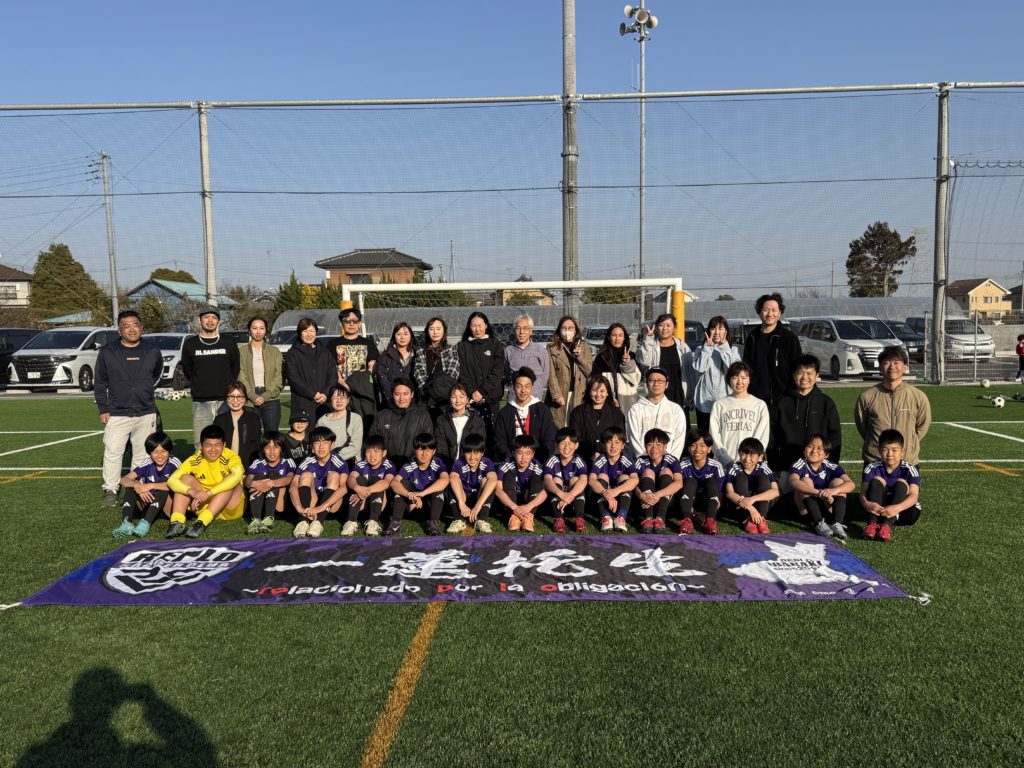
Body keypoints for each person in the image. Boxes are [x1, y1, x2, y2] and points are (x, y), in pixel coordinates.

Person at [95, 310, 163, 507]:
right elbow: (100, 382)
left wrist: (145, 390)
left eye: (135, 325)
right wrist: (103, 407)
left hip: (146, 411)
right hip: (117, 412)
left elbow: (157, 374)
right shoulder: (107, 352)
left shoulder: (152, 350)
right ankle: (111, 489)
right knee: (113, 452)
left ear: (141, 328)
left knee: (142, 454)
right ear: (119, 330)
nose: (131, 329)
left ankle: (135, 488)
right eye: (126, 326)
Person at [854, 345, 931, 467]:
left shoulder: (918, 396)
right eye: (887, 362)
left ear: (905, 367)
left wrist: (909, 443)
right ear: (880, 367)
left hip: (907, 461)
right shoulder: (867, 396)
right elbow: (863, 426)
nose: (892, 367)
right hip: (875, 462)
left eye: (896, 362)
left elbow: (922, 426)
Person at [166, 424, 245, 540]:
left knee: (231, 480)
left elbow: (238, 475)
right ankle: (177, 522)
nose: (213, 450)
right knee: (185, 478)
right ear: (201, 446)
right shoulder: (196, 459)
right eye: (208, 445)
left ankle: (201, 523)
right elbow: (171, 480)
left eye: (217, 445)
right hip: (204, 504)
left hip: (229, 508)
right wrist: (192, 491)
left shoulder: (230, 457)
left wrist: (209, 493)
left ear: (224, 445)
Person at [181, 305, 240, 447]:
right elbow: (188, 370)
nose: (210, 321)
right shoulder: (190, 344)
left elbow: (235, 369)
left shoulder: (229, 342)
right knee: (201, 443)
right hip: (201, 402)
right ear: (199, 320)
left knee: (226, 443)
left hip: (225, 401)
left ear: (219, 321)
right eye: (206, 317)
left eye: (214, 317)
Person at [773, 355, 842, 472]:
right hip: (787, 466)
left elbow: (835, 437)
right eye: (800, 373)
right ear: (793, 375)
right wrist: (775, 464)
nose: (804, 377)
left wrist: (831, 465)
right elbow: (772, 437)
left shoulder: (826, 403)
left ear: (817, 376)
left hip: (819, 467)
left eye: (809, 373)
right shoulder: (781, 402)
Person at [112, 431, 180, 539]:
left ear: (169, 450)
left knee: (163, 487)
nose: (160, 456)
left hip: (168, 506)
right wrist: (137, 486)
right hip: (149, 503)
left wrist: (151, 486)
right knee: (131, 486)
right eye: (155, 452)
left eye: (163, 451)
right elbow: (124, 480)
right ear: (149, 452)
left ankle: (146, 523)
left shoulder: (174, 462)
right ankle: (126, 523)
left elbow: (178, 485)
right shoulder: (147, 463)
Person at [741, 292, 801, 412]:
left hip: (782, 401)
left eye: (774, 310)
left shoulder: (789, 338)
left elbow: (797, 368)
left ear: (780, 312)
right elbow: (746, 367)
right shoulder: (752, 337)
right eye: (766, 310)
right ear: (759, 312)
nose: (770, 314)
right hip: (755, 401)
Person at [788, 434, 854, 540]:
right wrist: (818, 493)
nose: (814, 450)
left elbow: (851, 484)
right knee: (805, 481)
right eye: (810, 446)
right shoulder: (800, 464)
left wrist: (832, 491)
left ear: (826, 454)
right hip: (807, 511)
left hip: (827, 506)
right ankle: (818, 523)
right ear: (804, 450)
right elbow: (793, 481)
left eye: (819, 448)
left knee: (839, 482)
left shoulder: (830, 466)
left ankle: (837, 523)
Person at [861, 429, 922, 543]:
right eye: (885, 450)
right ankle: (872, 524)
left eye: (894, 450)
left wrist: (897, 508)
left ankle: (886, 526)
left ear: (902, 451)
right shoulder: (872, 468)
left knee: (901, 483)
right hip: (878, 509)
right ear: (879, 450)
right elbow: (863, 492)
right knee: (877, 481)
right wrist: (867, 504)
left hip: (903, 511)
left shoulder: (909, 469)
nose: (890, 454)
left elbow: (914, 496)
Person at [709, 361, 770, 469]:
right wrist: (726, 460)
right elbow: (714, 436)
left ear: (749, 379)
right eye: (735, 377)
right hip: (724, 465)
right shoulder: (719, 405)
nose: (739, 382)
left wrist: (750, 458)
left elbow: (762, 436)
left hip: (750, 465)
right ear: (729, 380)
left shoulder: (759, 405)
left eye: (743, 378)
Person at [636, 313, 693, 430]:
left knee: (681, 429)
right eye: (661, 325)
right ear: (657, 327)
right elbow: (643, 360)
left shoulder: (682, 347)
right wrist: (648, 339)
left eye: (668, 325)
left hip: (679, 393)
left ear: (674, 327)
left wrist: (690, 395)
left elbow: (690, 372)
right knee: (659, 429)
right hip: (658, 393)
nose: (665, 328)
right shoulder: (652, 345)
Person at [290, 426, 349, 539]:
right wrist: (298, 508)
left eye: (325, 442)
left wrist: (320, 508)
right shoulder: (307, 461)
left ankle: (318, 523)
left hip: (331, 506)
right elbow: (293, 486)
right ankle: (303, 522)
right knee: (306, 475)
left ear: (332, 445)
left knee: (334, 475)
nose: (321, 447)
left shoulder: (339, 462)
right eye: (317, 443)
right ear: (312, 446)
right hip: (311, 505)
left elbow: (343, 489)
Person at [389, 433, 450, 536]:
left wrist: (422, 493)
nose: (424, 454)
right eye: (421, 449)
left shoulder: (437, 463)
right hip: (414, 506)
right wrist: (409, 494)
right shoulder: (410, 465)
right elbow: (394, 483)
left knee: (438, 486)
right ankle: (395, 523)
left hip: (431, 507)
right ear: (415, 450)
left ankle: (433, 523)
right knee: (402, 483)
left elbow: (445, 480)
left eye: (428, 450)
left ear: (434, 451)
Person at [456, 311, 506, 433]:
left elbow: (498, 371)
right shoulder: (462, 347)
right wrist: (472, 392)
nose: (477, 329)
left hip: (491, 399)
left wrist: (482, 391)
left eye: (480, 325)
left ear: (486, 325)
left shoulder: (495, 345)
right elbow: (461, 373)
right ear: (469, 327)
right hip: (470, 400)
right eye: (474, 326)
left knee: (491, 433)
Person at [494, 367, 557, 462]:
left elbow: (549, 439)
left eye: (527, 386)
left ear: (532, 387)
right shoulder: (505, 413)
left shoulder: (542, 410)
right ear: (514, 387)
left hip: (537, 462)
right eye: (519, 386)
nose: (523, 390)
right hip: (511, 462)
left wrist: (538, 461)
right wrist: (510, 460)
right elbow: (500, 441)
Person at [368, 377, 434, 468]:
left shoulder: (422, 416)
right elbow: (373, 444)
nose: (401, 398)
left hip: (414, 467)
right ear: (392, 394)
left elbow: (427, 445)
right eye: (397, 394)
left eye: (405, 394)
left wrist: (412, 466)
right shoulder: (381, 416)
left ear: (412, 394)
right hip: (386, 468)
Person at [691, 316, 741, 432]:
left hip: (726, 400)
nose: (717, 332)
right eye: (713, 329)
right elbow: (700, 368)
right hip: (704, 401)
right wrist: (707, 349)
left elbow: (733, 371)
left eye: (721, 329)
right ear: (708, 331)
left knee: (725, 434)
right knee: (705, 435)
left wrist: (724, 348)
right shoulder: (700, 349)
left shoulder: (733, 350)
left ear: (726, 331)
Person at [626, 367, 687, 460]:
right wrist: (644, 460)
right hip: (643, 462)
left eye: (660, 381)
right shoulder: (635, 409)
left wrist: (671, 461)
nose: (656, 384)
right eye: (652, 380)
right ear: (646, 384)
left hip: (668, 462)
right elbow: (633, 438)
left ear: (666, 384)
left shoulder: (675, 409)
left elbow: (679, 439)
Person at [332, 306, 380, 427]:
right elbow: (331, 366)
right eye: (347, 321)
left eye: (355, 321)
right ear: (341, 323)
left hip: (363, 393)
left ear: (359, 324)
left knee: (366, 425)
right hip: (342, 392)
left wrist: (359, 382)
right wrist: (341, 381)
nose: (351, 324)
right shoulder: (333, 344)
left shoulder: (368, 343)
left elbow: (372, 365)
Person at [723, 437, 779, 535]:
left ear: (760, 456)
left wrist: (752, 499)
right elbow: (729, 493)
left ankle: (761, 518)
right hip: (741, 506)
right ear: (739, 453)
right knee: (740, 477)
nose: (747, 459)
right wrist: (750, 507)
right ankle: (746, 519)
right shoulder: (734, 468)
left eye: (751, 455)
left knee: (763, 478)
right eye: (744, 453)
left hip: (758, 503)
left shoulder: (763, 468)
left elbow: (775, 491)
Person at [238, 316, 284, 434]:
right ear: (249, 330)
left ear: (266, 331)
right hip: (249, 399)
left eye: (261, 328)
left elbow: (278, 376)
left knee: (271, 436)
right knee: (250, 436)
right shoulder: (241, 351)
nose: (258, 331)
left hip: (271, 398)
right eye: (254, 328)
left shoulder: (274, 351)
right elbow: (241, 375)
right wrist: (252, 395)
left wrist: (266, 395)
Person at [244, 431, 296, 534]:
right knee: (257, 478)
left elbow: (290, 478)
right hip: (261, 503)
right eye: (267, 447)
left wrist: (272, 483)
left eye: (276, 447)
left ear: (281, 448)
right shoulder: (258, 463)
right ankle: (256, 520)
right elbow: (247, 480)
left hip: (281, 505)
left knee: (272, 474)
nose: (272, 452)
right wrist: (254, 484)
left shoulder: (288, 462)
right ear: (263, 450)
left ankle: (269, 518)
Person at [546, 315, 593, 428]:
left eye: (571, 328)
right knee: (559, 426)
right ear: (559, 330)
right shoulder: (552, 348)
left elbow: (589, 372)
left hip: (579, 394)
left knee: (577, 426)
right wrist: (556, 395)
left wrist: (579, 356)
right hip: (561, 395)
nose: (567, 331)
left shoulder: (584, 347)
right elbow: (550, 374)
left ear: (575, 330)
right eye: (564, 328)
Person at [589, 426, 639, 533]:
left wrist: (616, 491)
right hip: (604, 499)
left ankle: (621, 517)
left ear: (623, 445)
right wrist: (606, 493)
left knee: (625, 477)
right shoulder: (600, 459)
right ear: (604, 444)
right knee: (602, 476)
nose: (613, 446)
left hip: (620, 498)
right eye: (609, 442)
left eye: (617, 442)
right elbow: (591, 480)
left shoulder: (625, 459)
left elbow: (635, 479)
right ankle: (605, 517)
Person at [677, 429, 727, 535]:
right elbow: (678, 491)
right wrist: (693, 512)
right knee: (690, 481)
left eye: (702, 445)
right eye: (693, 445)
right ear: (688, 448)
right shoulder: (683, 465)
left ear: (709, 449)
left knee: (711, 481)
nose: (697, 449)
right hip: (688, 504)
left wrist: (713, 508)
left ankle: (710, 521)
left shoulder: (716, 466)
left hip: (709, 503)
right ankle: (686, 520)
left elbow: (720, 493)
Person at [346, 434, 397, 537]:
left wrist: (364, 491)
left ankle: (373, 522)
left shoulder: (388, 465)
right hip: (361, 504)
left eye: (376, 451)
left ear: (384, 453)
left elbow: (386, 483)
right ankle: (351, 522)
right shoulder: (362, 464)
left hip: (379, 505)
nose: (372, 455)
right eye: (369, 451)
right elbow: (350, 478)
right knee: (359, 479)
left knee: (377, 480)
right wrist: (357, 488)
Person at [285, 317, 335, 422]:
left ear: (316, 332)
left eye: (312, 331)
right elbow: (293, 378)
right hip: (303, 402)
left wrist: (325, 393)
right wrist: (313, 394)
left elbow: (333, 375)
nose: (309, 334)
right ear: (299, 333)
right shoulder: (292, 354)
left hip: (325, 401)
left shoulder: (325, 352)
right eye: (305, 331)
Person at [446, 432, 498, 534]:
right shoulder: (460, 462)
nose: (472, 457)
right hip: (463, 500)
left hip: (479, 500)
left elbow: (493, 479)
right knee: (452, 480)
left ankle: (482, 520)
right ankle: (458, 520)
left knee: (488, 481)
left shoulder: (486, 462)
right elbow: (452, 478)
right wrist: (461, 504)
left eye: (476, 453)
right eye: (469, 452)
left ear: (482, 453)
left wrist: (478, 506)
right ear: (463, 452)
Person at [635, 428, 684, 534]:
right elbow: (634, 484)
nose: (654, 448)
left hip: (665, 502)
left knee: (666, 471)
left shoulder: (671, 460)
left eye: (658, 444)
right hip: (645, 502)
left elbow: (679, 483)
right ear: (645, 446)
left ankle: (660, 519)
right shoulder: (641, 460)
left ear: (665, 446)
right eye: (650, 444)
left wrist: (657, 494)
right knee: (648, 472)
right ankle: (648, 519)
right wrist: (642, 496)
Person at [495, 434, 547, 533]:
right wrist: (514, 508)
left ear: (533, 454)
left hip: (529, 500)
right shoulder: (506, 465)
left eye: (528, 453)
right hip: (510, 501)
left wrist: (528, 507)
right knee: (508, 475)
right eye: (519, 453)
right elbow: (498, 490)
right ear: (513, 453)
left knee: (536, 479)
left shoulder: (537, 467)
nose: (523, 457)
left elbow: (545, 491)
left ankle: (528, 517)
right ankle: (514, 517)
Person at [543, 427, 590, 533]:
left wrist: (568, 496)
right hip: (556, 502)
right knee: (555, 479)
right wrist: (561, 494)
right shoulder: (552, 460)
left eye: (570, 443)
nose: (566, 447)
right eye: (563, 443)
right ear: (556, 445)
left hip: (574, 502)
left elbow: (583, 480)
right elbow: (547, 480)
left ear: (576, 445)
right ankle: (558, 519)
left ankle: (579, 518)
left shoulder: (578, 460)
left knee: (576, 479)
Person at [568, 376, 626, 463]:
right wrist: (592, 453)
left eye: (602, 391)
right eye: (595, 390)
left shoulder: (616, 414)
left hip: (610, 461)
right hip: (583, 461)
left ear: (607, 393)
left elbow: (620, 439)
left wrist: (604, 455)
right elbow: (574, 439)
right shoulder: (577, 412)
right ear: (589, 392)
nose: (598, 394)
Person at [591, 322, 642, 417]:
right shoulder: (601, 357)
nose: (617, 338)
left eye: (620, 335)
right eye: (614, 335)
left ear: (624, 338)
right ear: (608, 337)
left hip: (627, 401)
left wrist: (627, 364)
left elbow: (635, 381)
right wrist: (610, 398)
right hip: (607, 401)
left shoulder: (632, 356)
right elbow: (596, 381)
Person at [434, 383, 487, 468]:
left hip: (470, 467)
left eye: (461, 397)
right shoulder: (442, 421)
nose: (457, 400)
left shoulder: (477, 421)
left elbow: (479, 448)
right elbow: (441, 448)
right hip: (447, 468)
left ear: (467, 399)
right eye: (454, 397)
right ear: (450, 399)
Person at [413, 317, 460, 413]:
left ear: (444, 331)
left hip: (446, 401)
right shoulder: (421, 352)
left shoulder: (451, 350)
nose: (435, 332)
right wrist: (430, 393)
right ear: (427, 331)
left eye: (438, 329)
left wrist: (438, 391)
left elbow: (452, 375)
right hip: (426, 401)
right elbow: (420, 376)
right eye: (431, 329)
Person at [213, 381, 263, 466]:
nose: (235, 400)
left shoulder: (253, 419)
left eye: (239, 397)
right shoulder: (219, 420)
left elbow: (256, 446)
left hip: (247, 466)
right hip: (223, 466)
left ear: (245, 398)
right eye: (231, 396)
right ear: (226, 398)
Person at [503, 314, 549, 402]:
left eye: (525, 328)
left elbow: (545, 376)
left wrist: (536, 389)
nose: (521, 332)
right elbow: (507, 375)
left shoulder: (541, 351)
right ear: (514, 331)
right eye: (518, 328)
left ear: (531, 331)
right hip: (514, 399)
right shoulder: (508, 351)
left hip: (535, 398)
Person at [316, 384, 363, 463]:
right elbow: (317, 444)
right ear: (330, 400)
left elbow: (355, 447)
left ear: (348, 400)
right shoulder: (322, 421)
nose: (339, 401)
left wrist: (333, 458)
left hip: (350, 463)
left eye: (342, 397)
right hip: (327, 463)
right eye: (335, 398)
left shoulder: (355, 418)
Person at [376, 321, 418, 405]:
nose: (402, 337)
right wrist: (393, 399)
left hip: (415, 403)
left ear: (411, 336)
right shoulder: (385, 356)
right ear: (394, 336)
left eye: (406, 334)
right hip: (391, 403)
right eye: (398, 334)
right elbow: (382, 379)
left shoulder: (418, 355)